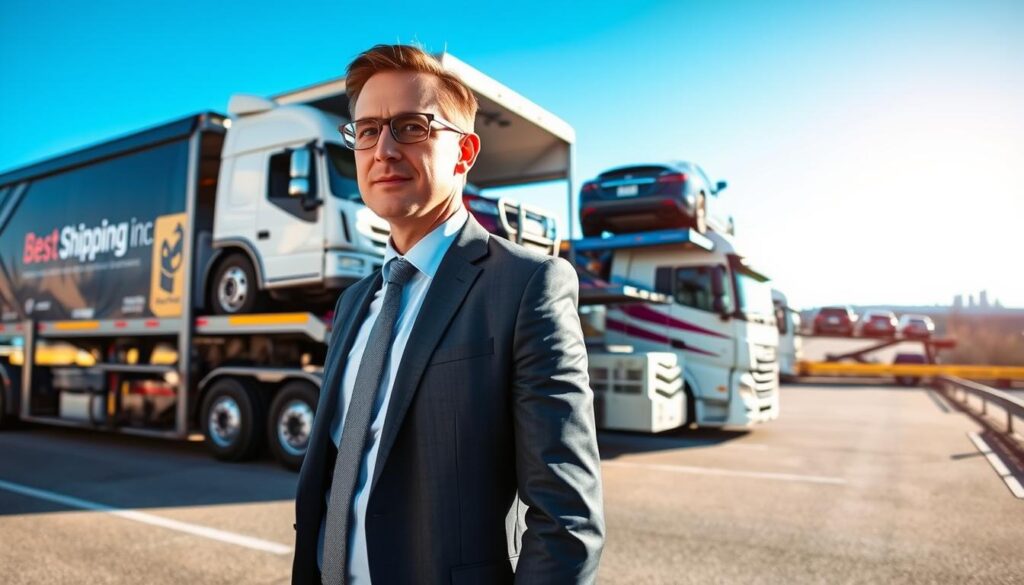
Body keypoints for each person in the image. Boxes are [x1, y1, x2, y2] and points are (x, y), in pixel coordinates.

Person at [292, 44, 604, 585]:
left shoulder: (527, 284)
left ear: (464, 153)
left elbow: (565, 517)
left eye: (411, 127)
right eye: (366, 130)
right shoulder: (353, 302)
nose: (383, 150)